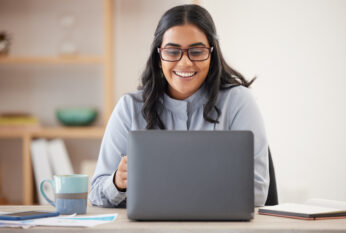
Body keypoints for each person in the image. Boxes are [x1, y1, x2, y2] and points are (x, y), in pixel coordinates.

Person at [89, 4, 269, 208]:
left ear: (212, 55)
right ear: (159, 58)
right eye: (173, 51)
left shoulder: (238, 102)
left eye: (197, 51)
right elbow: (96, 193)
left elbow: (257, 192)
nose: (185, 63)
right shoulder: (129, 107)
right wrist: (117, 183)